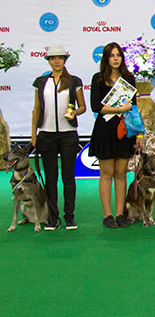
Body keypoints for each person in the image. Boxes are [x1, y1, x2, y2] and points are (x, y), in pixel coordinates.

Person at [30, 45, 86, 230]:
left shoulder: (74, 81)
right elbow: (36, 109)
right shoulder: (40, 82)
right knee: (50, 178)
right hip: (46, 134)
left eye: (60, 58)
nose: (56, 61)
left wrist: (74, 113)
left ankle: (69, 216)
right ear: (48, 61)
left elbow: (82, 107)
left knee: (68, 177)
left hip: (68, 134)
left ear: (65, 60)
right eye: (53, 58)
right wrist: (33, 135)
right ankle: (52, 218)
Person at [89, 42, 141, 228]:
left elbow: (133, 107)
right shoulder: (98, 79)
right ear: (106, 58)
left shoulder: (129, 79)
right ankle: (107, 215)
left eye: (118, 55)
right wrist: (119, 109)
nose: (116, 58)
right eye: (112, 55)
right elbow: (95, 106)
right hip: (104, 129)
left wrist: (139, 134)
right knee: (107, 173)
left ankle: (120, 214)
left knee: (121, 173)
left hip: (124, 130)